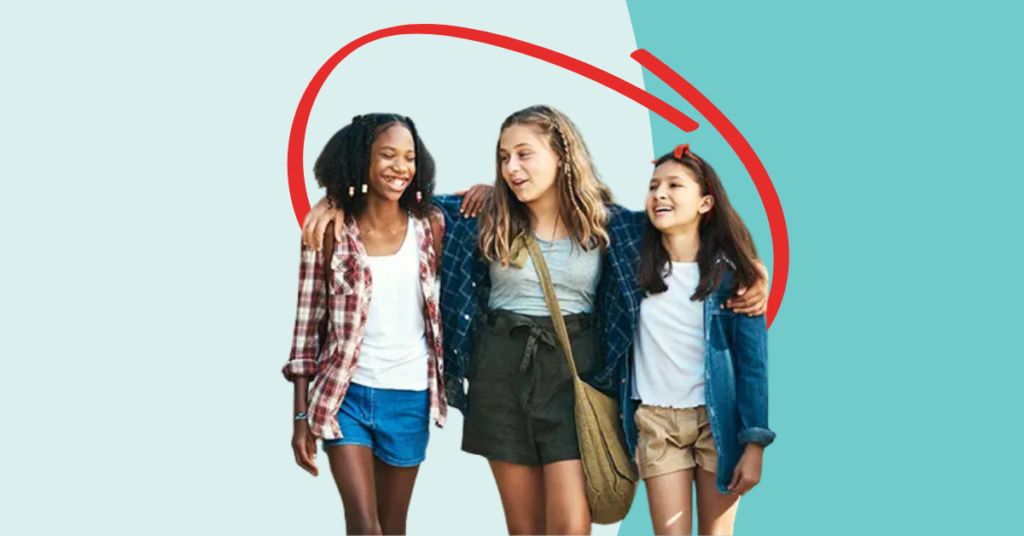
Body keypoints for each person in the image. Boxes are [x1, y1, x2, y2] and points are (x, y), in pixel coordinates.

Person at [302, 106, 769, 535]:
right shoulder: (480, 216)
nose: (512, 168)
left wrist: (750, 270)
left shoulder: (612, 224)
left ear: (562, 155)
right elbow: (396, 202)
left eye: (525, 154)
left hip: (575, 373)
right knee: (524, 528)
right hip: (499, 371)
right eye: (504, 157)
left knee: (570, 526)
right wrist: (336, 200)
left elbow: (684, 228)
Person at [282, 113, 447, 535]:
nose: (400, 167)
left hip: (409, 396)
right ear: (362, 160)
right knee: (364, 526)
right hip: (345, 395)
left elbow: (485, 207)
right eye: (388, 155)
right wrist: (300, 416)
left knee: (393, 526)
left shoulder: (431, 227)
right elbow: (306, 330)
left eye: (409, 157)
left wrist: (485, 190)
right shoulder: (329, 232)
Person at [629, 144, 774, 535]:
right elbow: (585, 212)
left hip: (719, 421)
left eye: (674, 185)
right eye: (653, 186)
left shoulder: (734, 277)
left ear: (705, 202)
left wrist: (755, 444)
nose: (660, 193)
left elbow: (753, 365)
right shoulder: (632, 265)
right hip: (658, 422)